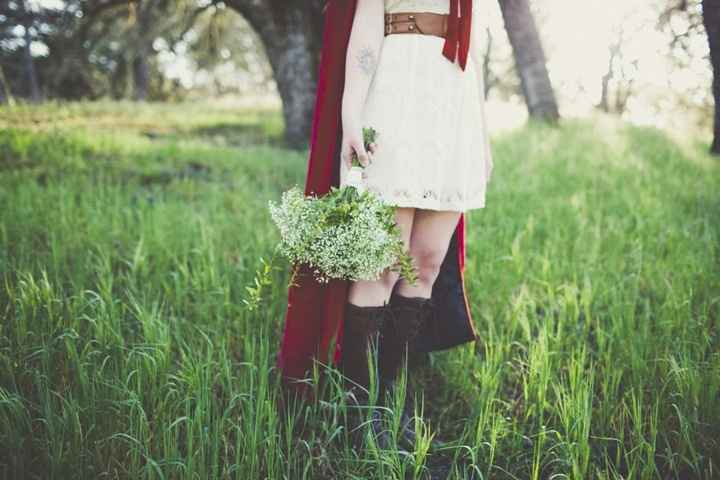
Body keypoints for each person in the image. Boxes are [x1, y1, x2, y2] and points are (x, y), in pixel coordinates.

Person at [276, 0, 493, 450]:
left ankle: (388, 398)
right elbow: (366, 33)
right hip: (397, 90)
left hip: (454, 102)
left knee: (427, 260)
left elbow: (470, 42)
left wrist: (482, 134)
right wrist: (352, 114)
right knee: (383, 263)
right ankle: (360, 408)